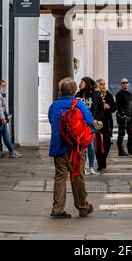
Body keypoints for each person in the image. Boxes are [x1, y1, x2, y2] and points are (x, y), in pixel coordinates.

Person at [48, 77, 99, 218]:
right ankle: (83, 207)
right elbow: (90, 120)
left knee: (60, 177)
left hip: (58, 146)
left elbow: (52, 121)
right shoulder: (78, 104)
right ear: (74, 90)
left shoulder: (54, 106)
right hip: (76, 148)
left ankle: (57, 209)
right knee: (77, 177)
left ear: (60, 90)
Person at [0, 80, 22, 158]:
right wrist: (3, 119)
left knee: (6, 135)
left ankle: (12, 151)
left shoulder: (0, 94)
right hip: (0, 118)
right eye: (2, 86)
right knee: (6, 136)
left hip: (2, 117)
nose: (4, 87)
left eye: (5, 86)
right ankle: (12, 152)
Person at [92, 79, 116, 171]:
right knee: (97, 143)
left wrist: (108, 107)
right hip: (97, 122)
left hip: (107, 122)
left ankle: (104, 158)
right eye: (101, 84)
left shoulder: (109, 95)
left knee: (107, 142)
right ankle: (99, 162)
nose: (103, 86)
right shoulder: (95, 96)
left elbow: (114, 108)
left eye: (104, 84)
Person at [76, 77, 96, 174]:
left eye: (82, 82)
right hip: (80, 124)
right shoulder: (78, 95)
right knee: (82, 146)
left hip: (91, 124)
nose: (80, 84)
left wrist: (97, 119)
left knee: (91, 145)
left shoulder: (95, 95)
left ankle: (91, 166)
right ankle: (83, 165)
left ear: (87, 84)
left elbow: (99, 108)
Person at [115, 78, 132, 156]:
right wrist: (123, 115)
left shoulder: (130, 94)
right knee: (121, 134)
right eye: (123, 83)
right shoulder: (118, 94)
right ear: (121, 84)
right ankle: (121, 151)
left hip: (130, 117)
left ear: (128, 84)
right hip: (122, 118)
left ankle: (130, 149)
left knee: (131, 134)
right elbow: (118, 106)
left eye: (126, 82)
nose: (125, 84)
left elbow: (131, 107)